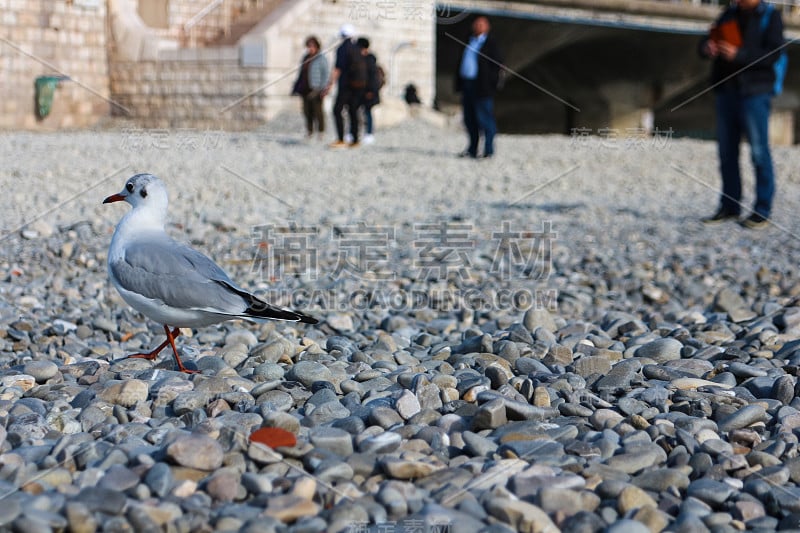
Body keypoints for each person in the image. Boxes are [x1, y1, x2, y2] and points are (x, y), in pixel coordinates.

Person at [699, 0, 783, 229]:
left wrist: (740, 54)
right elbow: (703, 43)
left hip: (755, 93)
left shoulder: (771, 16)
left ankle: (762, 210)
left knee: (758, 152)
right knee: (727, 152)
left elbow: (774, 53)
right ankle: (729, 206)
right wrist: (708, 47)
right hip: (727, 91)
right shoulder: (728, 13)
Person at [455, 15, 503, 159]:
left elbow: (497, 66)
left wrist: (490, 84)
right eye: (476, 24)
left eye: (481, 24)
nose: (478, 27)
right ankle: (472, 149)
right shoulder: (468, 41)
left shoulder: (491, 44)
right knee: (470, 119)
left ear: (487, 27)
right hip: (467, 85)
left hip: (482, 87)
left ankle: (488, 150)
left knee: (485, 119)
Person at [325, 24, 364, 148]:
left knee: (337, 110)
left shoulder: (342, 48)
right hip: (357, 86)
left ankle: (341, 138)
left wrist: (330, 84)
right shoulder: (357, 48)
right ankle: (355, 139)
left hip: (345, 85)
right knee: (353, 110)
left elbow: (338, 68)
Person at [292, 36, 329, 139]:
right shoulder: (305, 58)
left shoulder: (321, 58)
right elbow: (301, 73)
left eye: (312, 46)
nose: (310, 49)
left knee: (318, 111)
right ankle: (309, 130)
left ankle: (321, 131)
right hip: (305, 88)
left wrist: (323, 88)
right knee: (307, 111)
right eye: (309, 46)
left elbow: (325, 74)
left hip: (316, 89)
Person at [357, 37, 381, 145]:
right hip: (360, 91)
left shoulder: (370, 60)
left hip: (369, 92)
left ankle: (369, 134)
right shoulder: (360, 59)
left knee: (367, 113)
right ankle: (357, 133)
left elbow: (373, 78)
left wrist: (371, 91)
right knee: (357, 112)